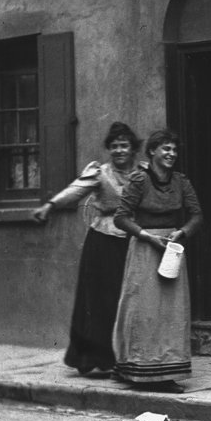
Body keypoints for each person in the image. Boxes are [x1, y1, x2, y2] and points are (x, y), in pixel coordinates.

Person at [33, 122, 141, 377]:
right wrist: (51, 205)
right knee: (103, 300)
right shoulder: (99, 173)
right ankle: (101, 358)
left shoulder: (143, 173)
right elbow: (75, 191)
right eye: (114, 146)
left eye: (124, 145)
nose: (119, 151)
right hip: (103, 243)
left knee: (132, 299)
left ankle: (132, 356)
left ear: (133, 148)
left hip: (135, 240)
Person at [111, 128, 202, 392]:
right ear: (152, 151)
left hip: (171, 250)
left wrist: (182, 232)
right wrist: (147, 237)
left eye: (174, 150)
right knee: (143, 311)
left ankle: (166, 371)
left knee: (171, 312)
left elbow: (197, 216)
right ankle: (137, 367)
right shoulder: (139, 180)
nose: (171, 154)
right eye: (166, 149)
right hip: (145, 250)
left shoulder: (181, 182)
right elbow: (121, 217)